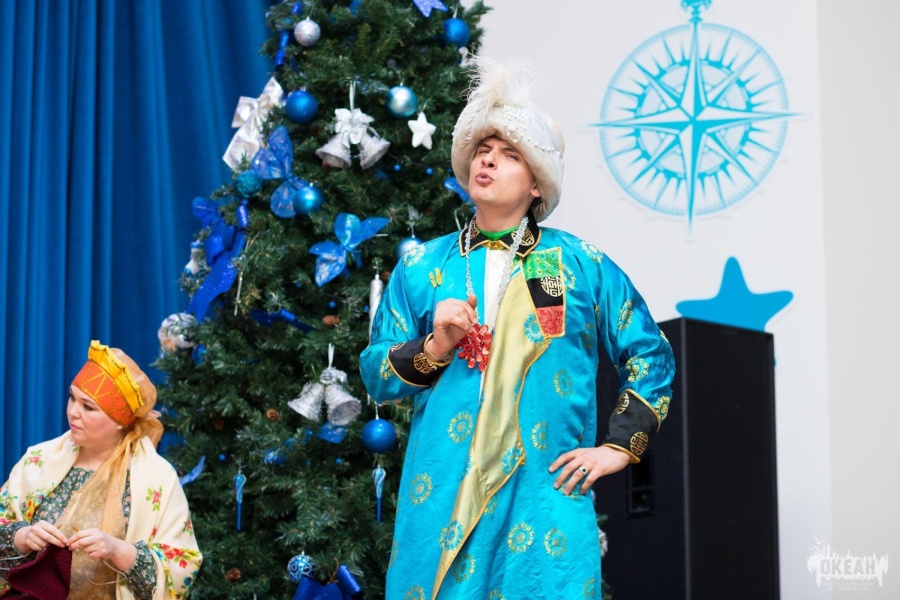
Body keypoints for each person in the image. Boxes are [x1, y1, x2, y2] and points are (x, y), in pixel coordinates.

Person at [360, 57, 675, 600]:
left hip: (543, 501)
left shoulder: (579, 263)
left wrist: (621, 447)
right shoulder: (421, 267)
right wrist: (435, 345)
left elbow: (651, 354)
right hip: (443, 498)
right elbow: (375, 374)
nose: (488, 161)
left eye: (509, 155)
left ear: (536, 185)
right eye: (483, 150)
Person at [0, 341, 202, 599]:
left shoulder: (159, 479)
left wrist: (118, 551)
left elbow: (182, 566)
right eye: (72, 398)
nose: (73, 412)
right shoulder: (38, 460)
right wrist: (23, 537)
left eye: (88, 407)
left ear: (120, 420)